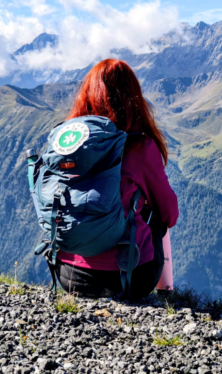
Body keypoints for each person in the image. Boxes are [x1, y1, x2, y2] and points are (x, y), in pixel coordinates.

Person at [55, 59, 179, 301]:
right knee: (156, 215)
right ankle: (167, 290)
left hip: (68, 275)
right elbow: (169, 214)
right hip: (128, 277)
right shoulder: (140, 147)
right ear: (132, 98)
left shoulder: (68, 144)